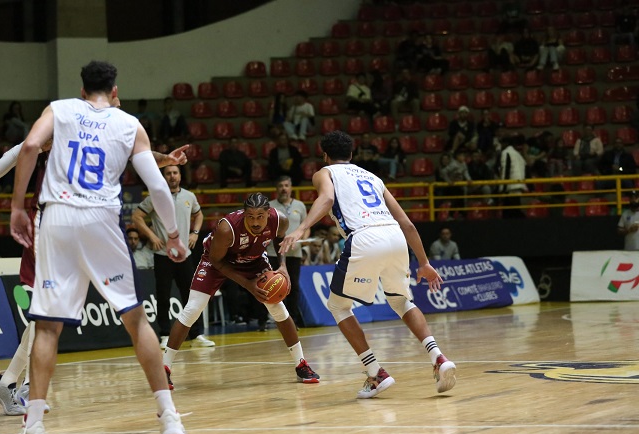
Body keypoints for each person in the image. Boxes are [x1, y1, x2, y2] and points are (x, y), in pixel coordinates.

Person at [6, 60, 188, 434]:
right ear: (114, 88)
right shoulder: (128, 123)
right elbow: (157, 185)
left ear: (82, 87)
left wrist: (18, 205)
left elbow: (31, 147)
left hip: (56, 217)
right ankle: (169, 415)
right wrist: (173, 234)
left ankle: (34, 430)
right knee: (134, 317)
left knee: (48, 326)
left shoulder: (59, 109)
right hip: (102, 219)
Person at [0, 118, 188, 416]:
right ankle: (24, 387)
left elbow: (135, 155)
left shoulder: (97, 137)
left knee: (49, 315)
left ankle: (10, 384)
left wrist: (164, 160)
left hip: (79, 228)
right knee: (47, 313)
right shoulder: (55, 136)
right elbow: (15, 154)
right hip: (45, 224)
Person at [279, 131, 456, 398]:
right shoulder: (373, 177)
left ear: (324, 154)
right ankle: (439, 357)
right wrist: (424, 262)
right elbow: (407, 223)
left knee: (338, 306)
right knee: (401, 301)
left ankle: (375, 373)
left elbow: (326, 199)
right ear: (351, 154)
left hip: (364, 236)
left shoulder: (324, 173)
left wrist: (301, 228)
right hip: (395, 237)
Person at [162, 193, 321, 388]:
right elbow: (216, 261)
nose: (255, 222)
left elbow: (279, 242)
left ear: (268, 213)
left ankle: (301, 364)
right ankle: (164, 369)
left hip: (253, 261)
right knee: (193, 308)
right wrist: (248, 285)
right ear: (244, 214)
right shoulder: (226, 228)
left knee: (277, 307)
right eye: (250, 217)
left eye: (260, 217)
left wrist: (282, 266)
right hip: (217, 262)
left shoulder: (280, 220)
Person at [133, 164, 213, 349]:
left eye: (175, 173)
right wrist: (151, 236)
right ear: (164, 176)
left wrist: (195, 233)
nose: (172, 176)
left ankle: (196, 334)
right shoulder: (156, 195)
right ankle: (165, 334)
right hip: (163, 255)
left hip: (185, 255)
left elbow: (199, 215)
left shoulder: (189, 196)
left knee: (192, 296)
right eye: (168, 173)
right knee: (163, 296)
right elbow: (137, 216)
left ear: (180, 176)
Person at [267, 176, 307, 326]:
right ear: (276, 189)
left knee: (293, 287)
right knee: (272, 286)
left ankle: (293, 320)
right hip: (273, 252)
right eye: (280, 185)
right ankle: (268, 319)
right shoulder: (270, 206)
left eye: (286, 185)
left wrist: (300, 243)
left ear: (291, 188)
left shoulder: (300, 205)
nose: (284, 188)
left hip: (294, 253)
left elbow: (306, 227)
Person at [498, 134, 528, 218]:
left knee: (511, 214)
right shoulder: (518, 155)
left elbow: (506, 170)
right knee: (512, 212)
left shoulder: (506, 152)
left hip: (511, 187)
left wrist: (502, 189)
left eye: (502, 143)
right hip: (519, 186)